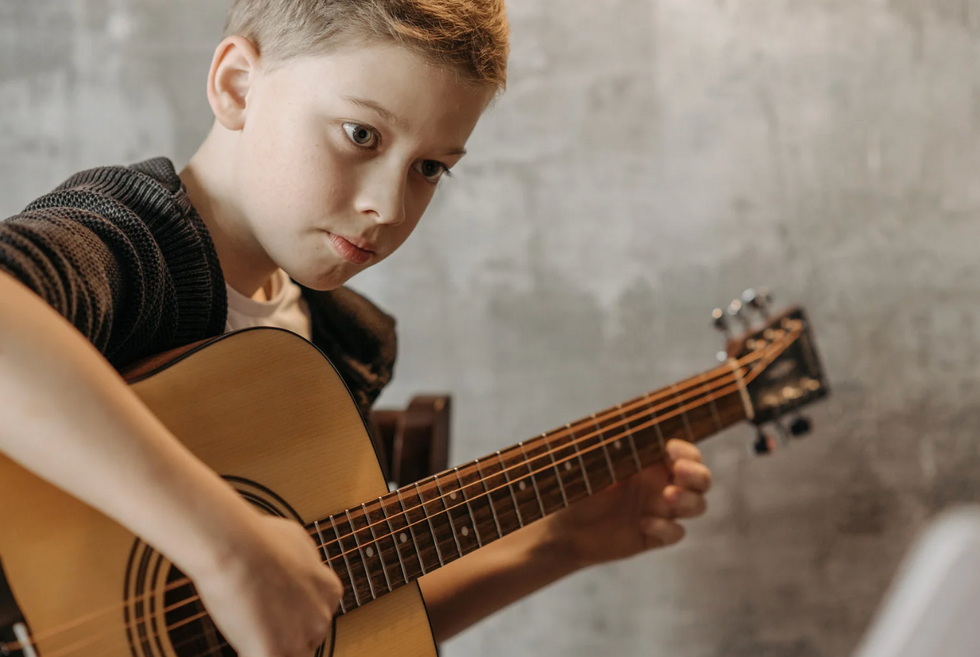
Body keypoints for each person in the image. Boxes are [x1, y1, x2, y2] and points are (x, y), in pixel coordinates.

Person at [0, 1, 713, 654]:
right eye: (361, 134)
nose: (389, 207)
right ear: (239, 86)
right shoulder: (131, 247)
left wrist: (555, 544)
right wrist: (227, 543)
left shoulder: (345, 347)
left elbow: (334, 614)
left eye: (430, 168)